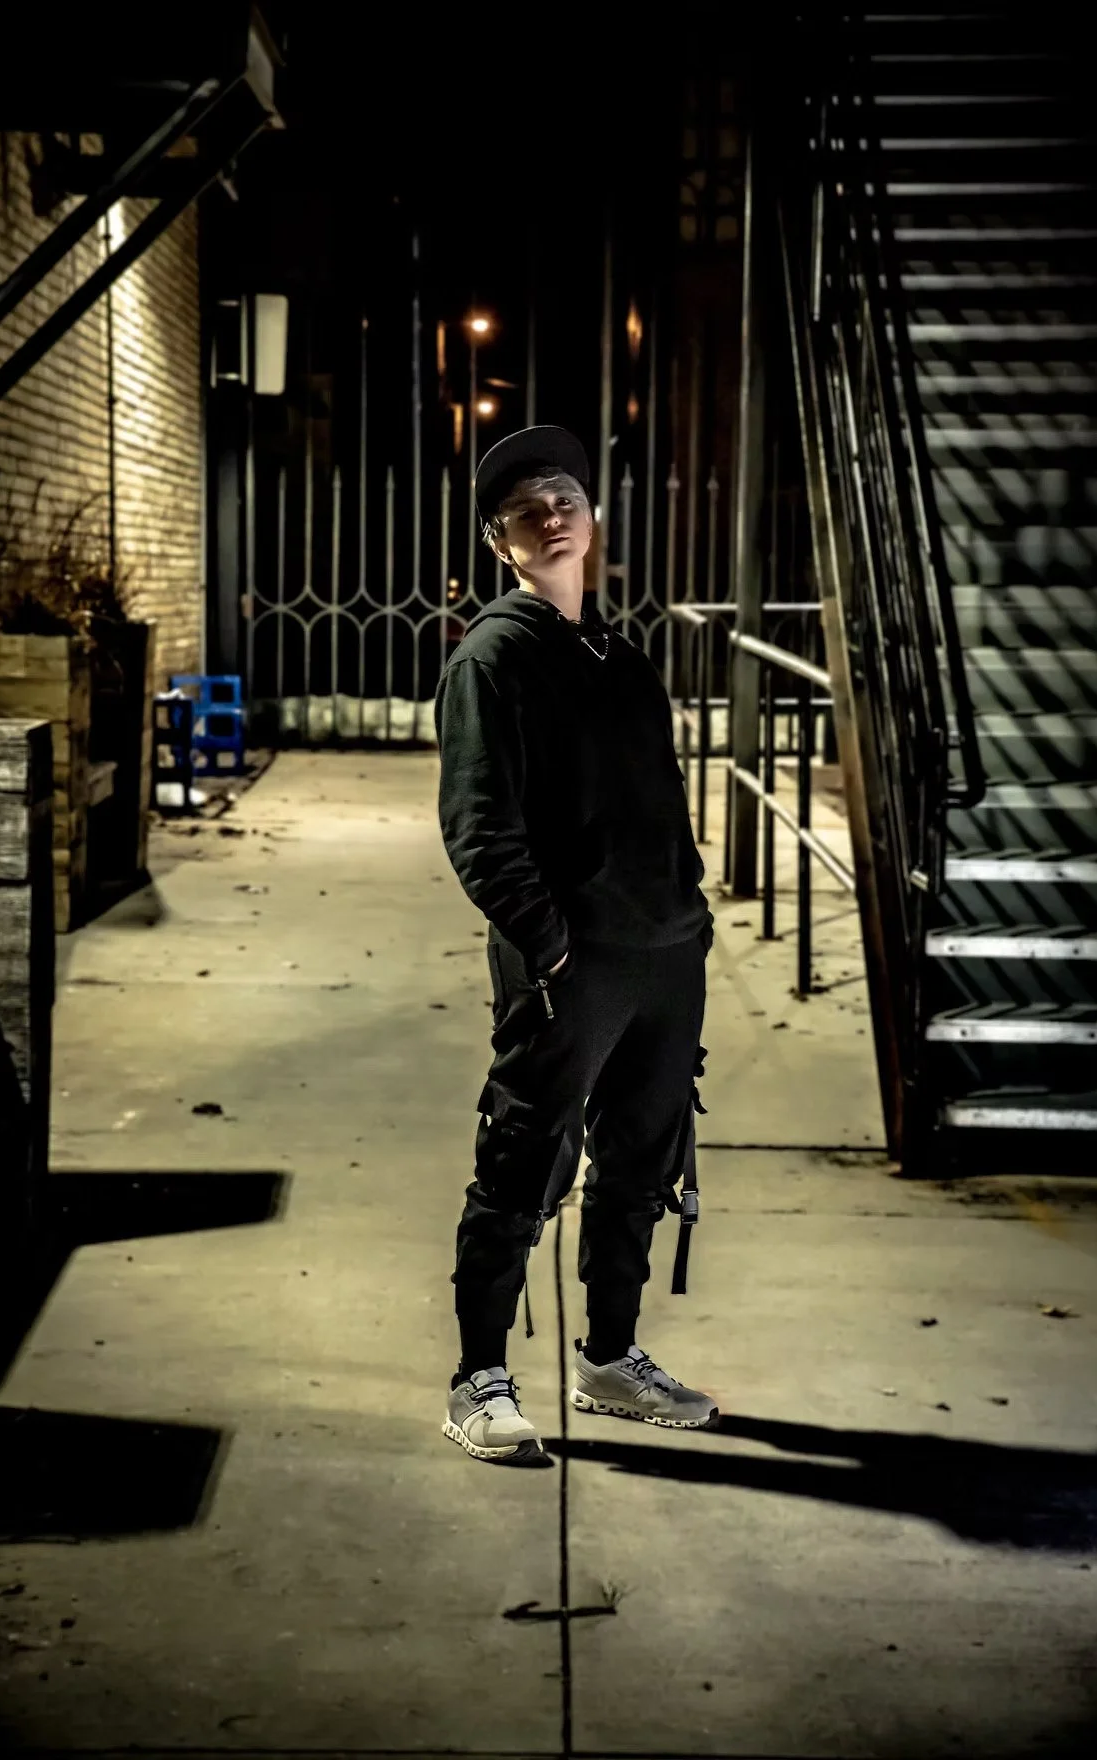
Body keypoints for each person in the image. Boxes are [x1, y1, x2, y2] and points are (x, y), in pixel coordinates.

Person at [433, 425, 718, 1466]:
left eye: (564, 497)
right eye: (523, 510)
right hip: (571, 967)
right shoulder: (494, 656)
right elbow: (478, 826)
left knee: (641, 1158)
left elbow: (663, 808)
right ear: (502, 546)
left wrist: (690, 921)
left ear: (593, 521)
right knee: (522, 1161)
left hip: (664, 955)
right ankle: (479, 1375)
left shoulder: (623, 659)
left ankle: (608, 1356)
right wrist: (550, 948)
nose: (549, 514)